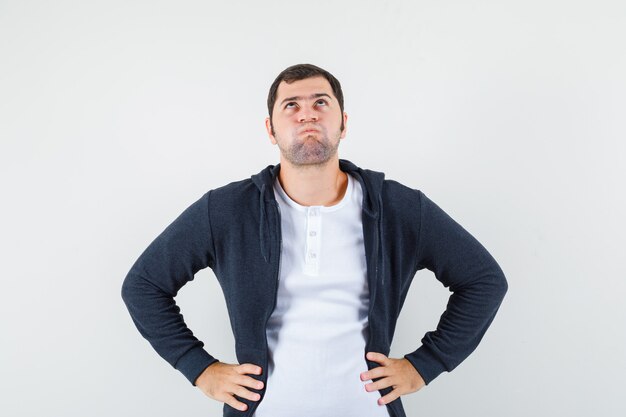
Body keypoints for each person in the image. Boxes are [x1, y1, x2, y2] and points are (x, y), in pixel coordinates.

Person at [121, 63, 508, 417]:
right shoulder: (226, 210)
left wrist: (426, 364)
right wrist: (199, 368)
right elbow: (143, 285)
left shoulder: (396, 206)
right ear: (270, 130)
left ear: (343, 123)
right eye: (290, 105)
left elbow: (483, 280)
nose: (307, 113)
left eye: (321, 102)